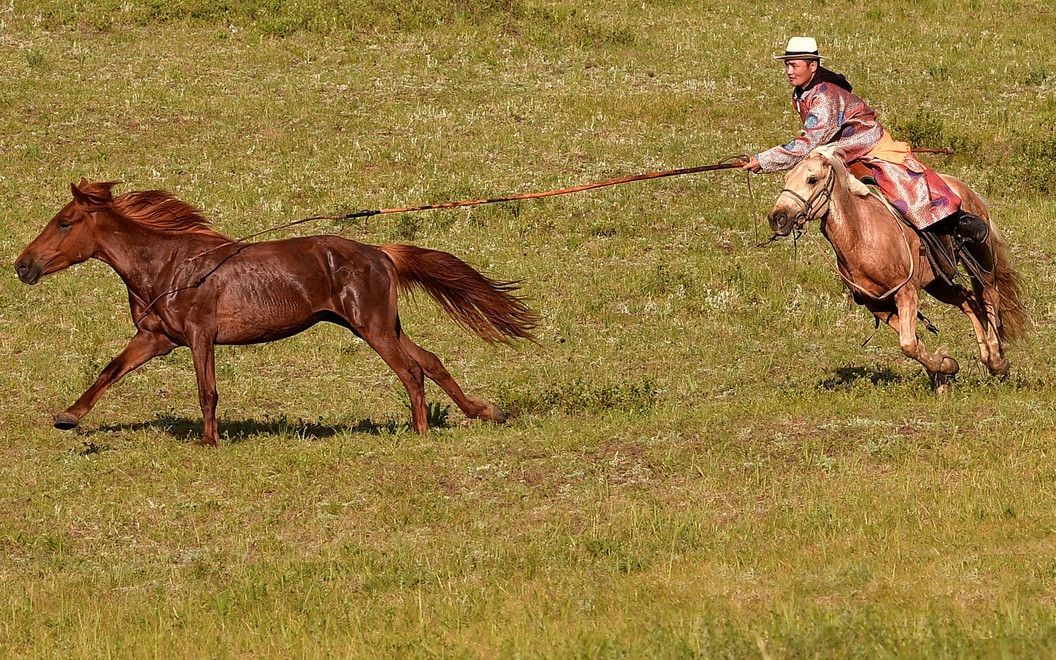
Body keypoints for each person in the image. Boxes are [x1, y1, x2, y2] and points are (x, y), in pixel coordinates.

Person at [741, 37, 988, 247]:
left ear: (812, 66)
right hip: (842, 153)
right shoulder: (802, 94)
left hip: (868, 145)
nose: (789, 71)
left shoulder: (825, 94)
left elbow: (807, 142)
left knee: (900, 183)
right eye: (787, 65)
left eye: (794, 65)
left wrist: (763, 161)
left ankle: (956, 221)